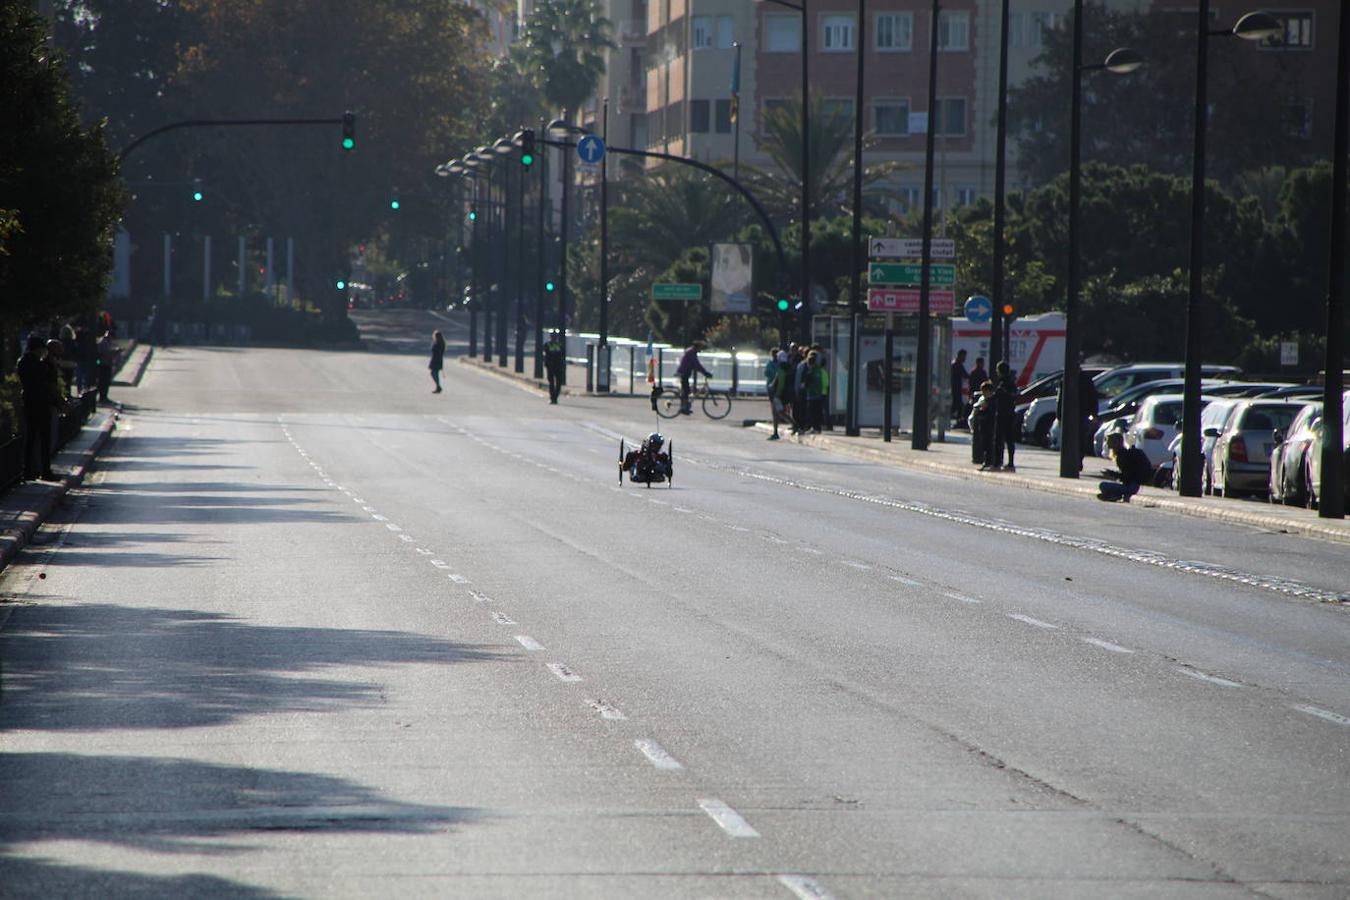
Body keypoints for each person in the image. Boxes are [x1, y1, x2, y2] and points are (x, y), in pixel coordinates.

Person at [16, 335, 57, 481]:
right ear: (38, 349)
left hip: (28, 402)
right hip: (40, 403)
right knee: (44, 438)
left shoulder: (22, 362)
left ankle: (28, 470)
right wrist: (50, 364)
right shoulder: (38, 364)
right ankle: (45, 471)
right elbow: (50, 378)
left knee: (31, 438)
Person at [1098, 431, 1153, 502]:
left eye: (1109, 441)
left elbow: (1127, 476)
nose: (1107, 443)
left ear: (1116, 442)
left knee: (1103, 485)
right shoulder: (1123, 454)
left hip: (1132, 486)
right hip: (1133, 485)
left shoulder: (1122, 456)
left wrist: (1112, 474)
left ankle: (1116, 495)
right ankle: (1114, 495)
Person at [992, 360, 1019, 471]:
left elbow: (998, 396)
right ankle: (1010, 462)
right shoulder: (1011, 382)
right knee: (1010, 439)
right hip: (1010, 413)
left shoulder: (1003, 383)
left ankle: (998, 461)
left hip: (1003, 413)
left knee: (999, 439)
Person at [676, 340, 712, 415]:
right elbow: (696, 364)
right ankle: (683, 408)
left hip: (685, 372)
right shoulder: (691, 353)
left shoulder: (692, 352)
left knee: (687, 390)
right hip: (684, 373)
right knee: (686, 390)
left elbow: (696, 365)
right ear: (697, 347)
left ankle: (684, 406)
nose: (701, 350)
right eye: (700, 348)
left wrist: (704, 372)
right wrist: (705, 373)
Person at [767, 350, 792, 440]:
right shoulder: (788, 368)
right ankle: (775, 432)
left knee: (778, 413)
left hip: (778, 395)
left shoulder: (781, 370)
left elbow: (780, 384)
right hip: (785, 394)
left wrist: (776, 395)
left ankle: (793, 425)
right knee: (779, 413)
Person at [803, 351, 829, 434]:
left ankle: (815, 428)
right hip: (819, 394)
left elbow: (806, 384)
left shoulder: (810, 372)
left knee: (812, 412)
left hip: (811, 395)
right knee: (818, 412)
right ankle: (818, 428)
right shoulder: (820, 370)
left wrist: (803, 386)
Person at [970, 381, 995, 466]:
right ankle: (985, 461)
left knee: (989, 445)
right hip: (983, 425)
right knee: (984, 444)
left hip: (989, 426)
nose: (984, 393)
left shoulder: (992, 401)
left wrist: (983, 409)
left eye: (985, 391)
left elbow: (991, 413)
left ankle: (988, 462)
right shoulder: (983, 400)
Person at [543, 331, 566, 404]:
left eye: (555, 337)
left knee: (559, 382)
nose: (554, 338)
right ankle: (552, 397)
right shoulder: (547, 345)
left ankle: (555, 396)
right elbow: (545, 354)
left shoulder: (560, 345)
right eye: (553, 337)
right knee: (551, 382)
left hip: (558, 366)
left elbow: (563, 354)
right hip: (550, 366)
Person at [949, 349, 969, 428]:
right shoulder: (957, 364)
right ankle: (958, 422)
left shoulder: (956, 364)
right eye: (964, 356)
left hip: (955, 388)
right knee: (958, 405)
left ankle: (957, 420)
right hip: (955, 388)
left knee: (957, 405)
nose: (964, 358)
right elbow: (965, 375)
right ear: (960, 355)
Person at [95, 330, 115, 403]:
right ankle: (102, 397)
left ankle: (104, 397)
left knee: (105, 382)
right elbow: (102, 354)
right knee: (103, 382)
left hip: (106, 364)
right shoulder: (103, 342)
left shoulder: (106, 342)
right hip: (103, 365)